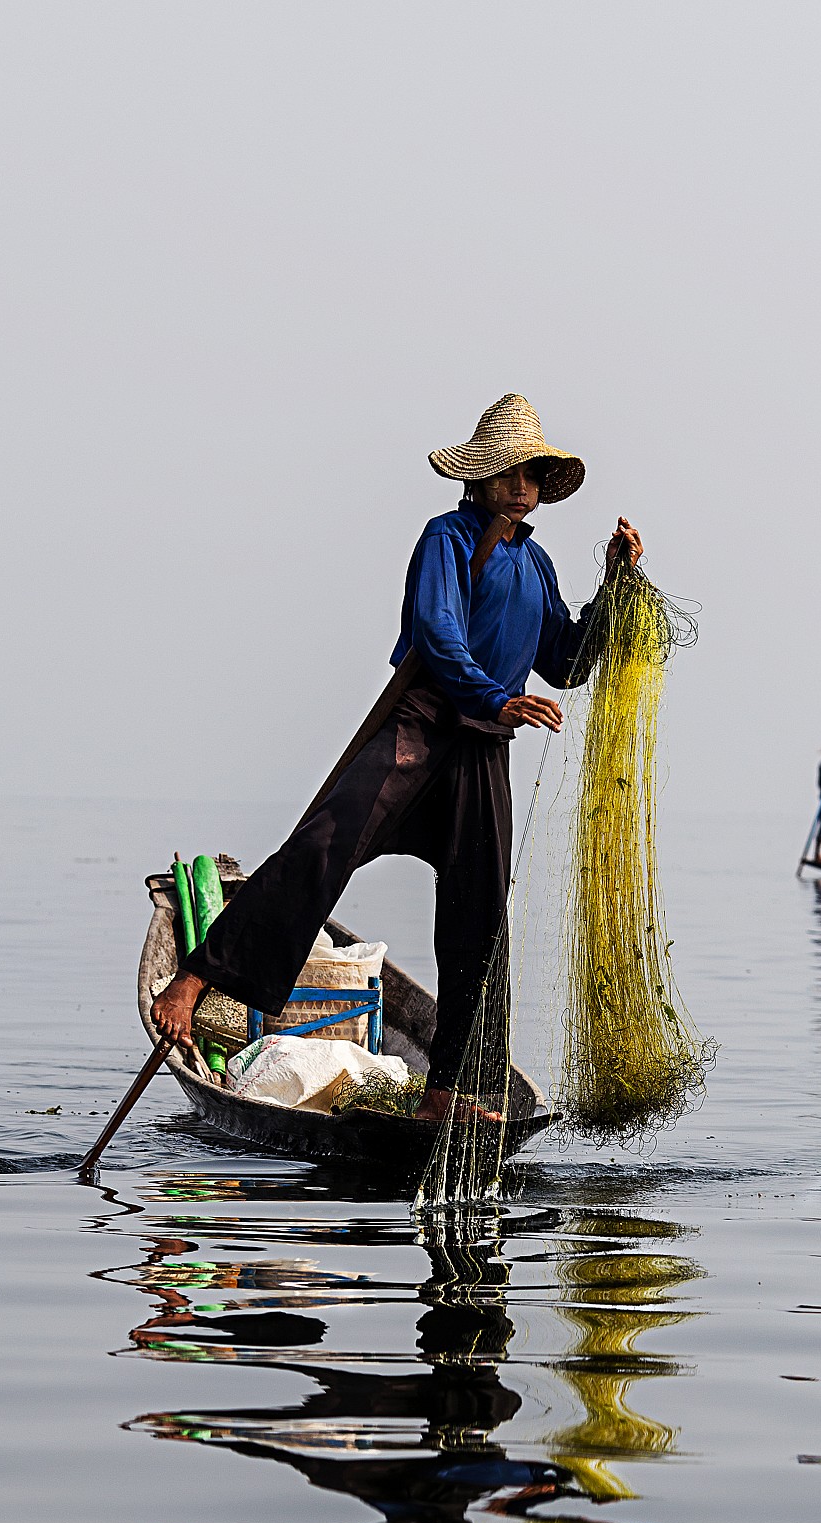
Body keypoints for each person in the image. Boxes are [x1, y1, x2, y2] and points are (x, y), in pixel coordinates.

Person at [150, 393, 643, 1122]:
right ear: (479, 477)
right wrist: (493, 696)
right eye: (508, 470)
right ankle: (195, 981)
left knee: (480, 917)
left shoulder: (535, 564)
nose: (520, 484)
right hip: (424, 726)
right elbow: (437, 635)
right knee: (325, 845)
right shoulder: (446, 537)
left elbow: (566, 662)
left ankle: (446, 1090)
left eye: (531, 472)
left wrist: (616, 587)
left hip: (483, 752)